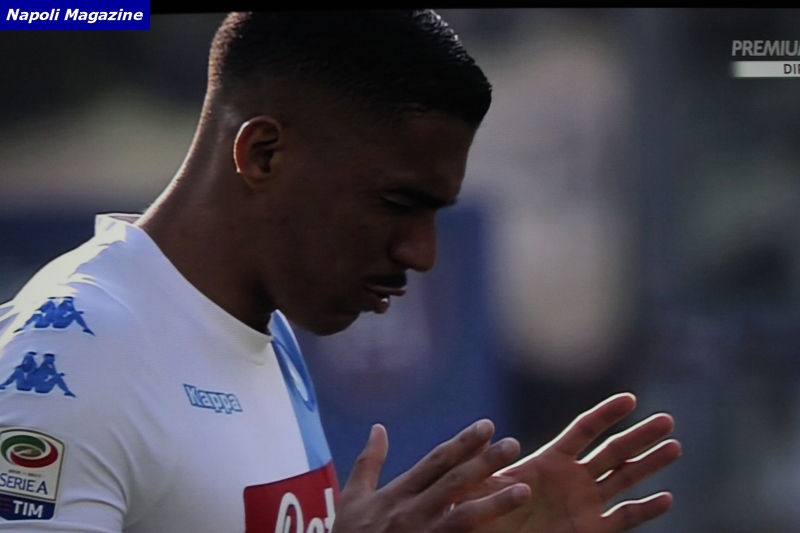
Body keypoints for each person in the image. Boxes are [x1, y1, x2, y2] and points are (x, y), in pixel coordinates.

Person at [0, 10, 680, 533]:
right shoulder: (72, 359)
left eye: (435, 213)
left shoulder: (265, 328)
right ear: (263, 154)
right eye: (397, 203)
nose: (421, 254)